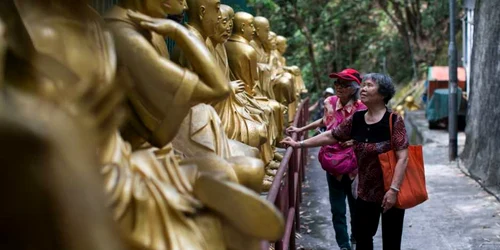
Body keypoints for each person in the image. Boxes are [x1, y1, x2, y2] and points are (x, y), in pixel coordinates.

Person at [281, 73, 409, 250]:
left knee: (391, 242)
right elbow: (331, 135)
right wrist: (299, 144)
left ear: (382, 93)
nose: (363, 89)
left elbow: (403, 157)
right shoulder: (357, 119)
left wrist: (394, 190)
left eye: (369, 85)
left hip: (390, 191)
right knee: (362, 239)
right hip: (365, 192)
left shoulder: (394, 121)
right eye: (363, 85)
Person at [287, 68, 366, 250]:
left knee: (356, 208)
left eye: (344, 84)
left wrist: (354, 140)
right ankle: (344, 246)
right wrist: (300, 130)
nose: (339, 87)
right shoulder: (329, 102)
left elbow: (369, 132)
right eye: (337, 83)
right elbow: (325, 121)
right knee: (337, 209)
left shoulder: (362, 108)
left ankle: (355, 239)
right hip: (333, 164)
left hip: (355, 167)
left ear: (354, 88)